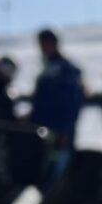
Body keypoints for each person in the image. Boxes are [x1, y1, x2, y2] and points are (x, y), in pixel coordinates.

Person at [27, 28, 84, 182]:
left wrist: (65, 130)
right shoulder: (47, 68)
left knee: (56, 175)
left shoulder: (65, 69)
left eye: (45, 43)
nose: (42, 48)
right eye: (40, 44)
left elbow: (72, 101)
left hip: (60, 134)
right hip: (42, 132)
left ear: (53, 43)